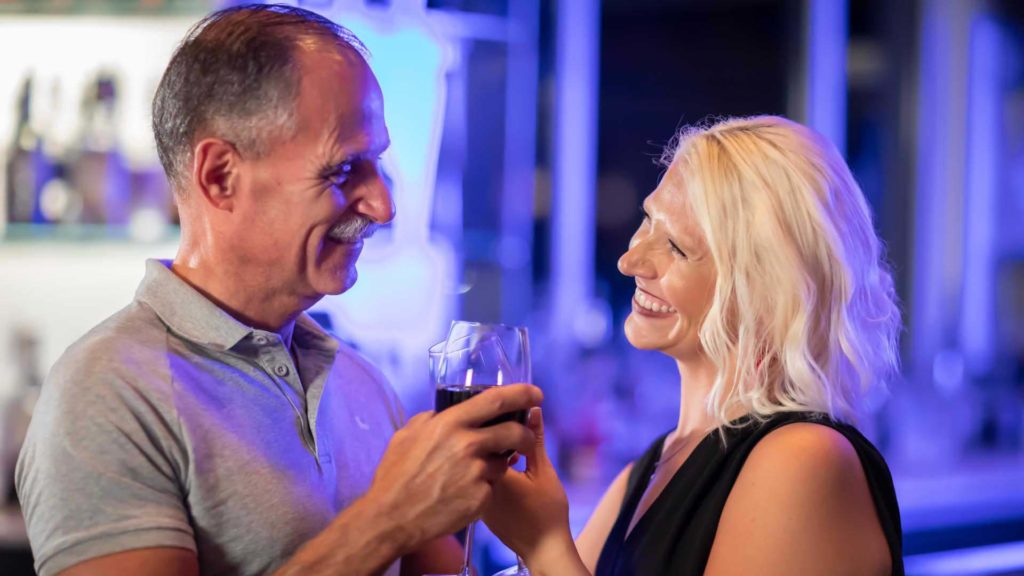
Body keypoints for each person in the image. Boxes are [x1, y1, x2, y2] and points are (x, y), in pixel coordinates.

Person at [15, 5, 541, 576]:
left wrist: (538, 541)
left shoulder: (362, 384)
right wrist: (387, 520)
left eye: (379, 164)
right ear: (220, 176)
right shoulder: (108, 393)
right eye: (343, 170)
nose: (383, 206)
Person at [483, 116, 905, 576]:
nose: (630, 261)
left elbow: (556, 561)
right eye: (648, 219)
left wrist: (544, 544)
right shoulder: (645, 472)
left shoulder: (804, 459)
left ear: (762, 293)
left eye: (678, 248)